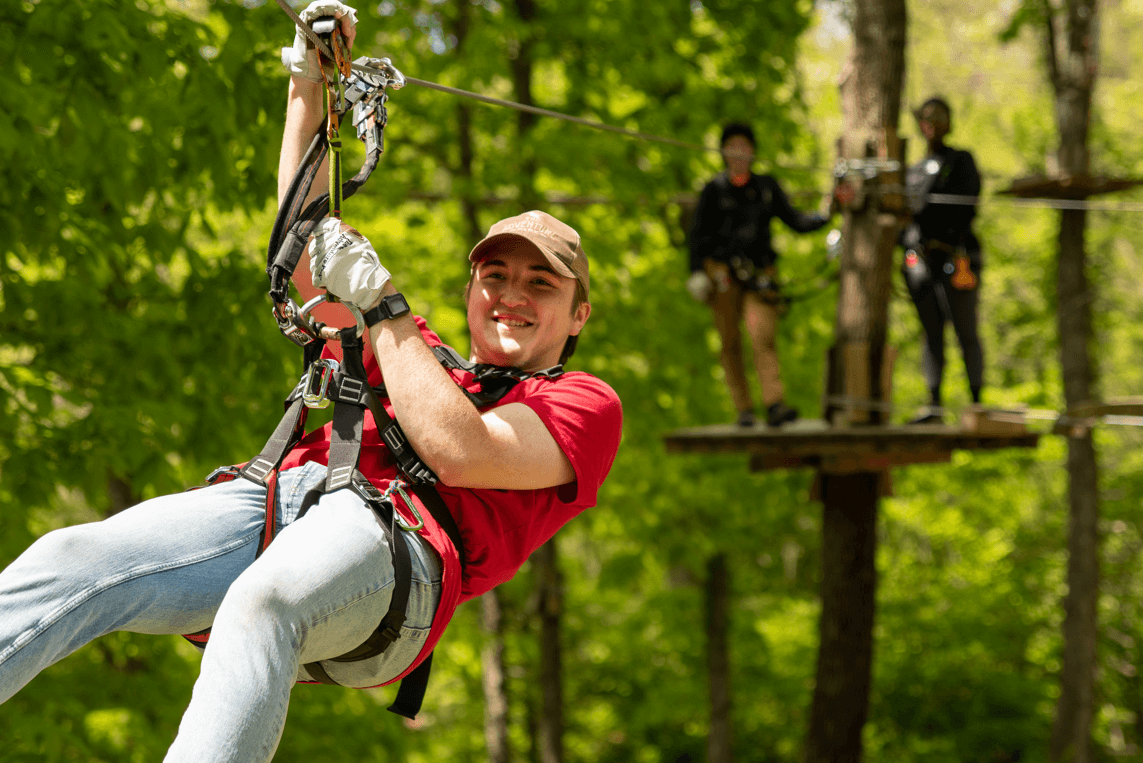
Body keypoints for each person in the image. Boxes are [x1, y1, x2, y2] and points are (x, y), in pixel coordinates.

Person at [0, 4, 622, 760]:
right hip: (290, 501)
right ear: (469, 292)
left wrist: (382, 303)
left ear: (577, 312)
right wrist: (307, 83)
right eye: (494, 275)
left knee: (262, 602)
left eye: (540, 284)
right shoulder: (418, 350)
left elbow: (459, 450)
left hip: (403, 556)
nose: (510, 295)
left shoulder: (581, 402)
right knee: (74, 559)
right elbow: (301, 251)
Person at [686, 123, 829, 428]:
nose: (738, 152)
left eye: (744, 146)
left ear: (752, 151)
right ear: (724, 152)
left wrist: (829, 213)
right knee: (729, 342)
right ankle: (744, 409)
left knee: (763, 336)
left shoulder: (766, 188)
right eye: (732, 146)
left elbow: (797, 221)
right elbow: (697, 236)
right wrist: (697, 272)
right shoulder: (713, 191)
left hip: (760, 274)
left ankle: (774, 404)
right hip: (722, 275)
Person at [899, 97, 985, 424]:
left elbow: (965, 206)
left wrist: (922, 211)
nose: (932, 122)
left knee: (966, 330)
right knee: (931, 332)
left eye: (939, 116)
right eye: (926, 117)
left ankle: (976, 402)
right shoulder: (913, 172)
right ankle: (934, 405)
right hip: (921, 263)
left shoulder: (961, 161)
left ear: (950, 121)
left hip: (956, 257)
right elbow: (904, 219)